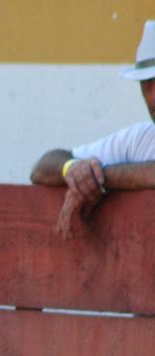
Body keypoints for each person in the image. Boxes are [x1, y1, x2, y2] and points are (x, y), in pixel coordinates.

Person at [30, 20, 155, 239]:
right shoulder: (141, 138)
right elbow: (43, 167)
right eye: (146, 85)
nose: (152, 98)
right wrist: (73, 169)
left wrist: (95, 178)